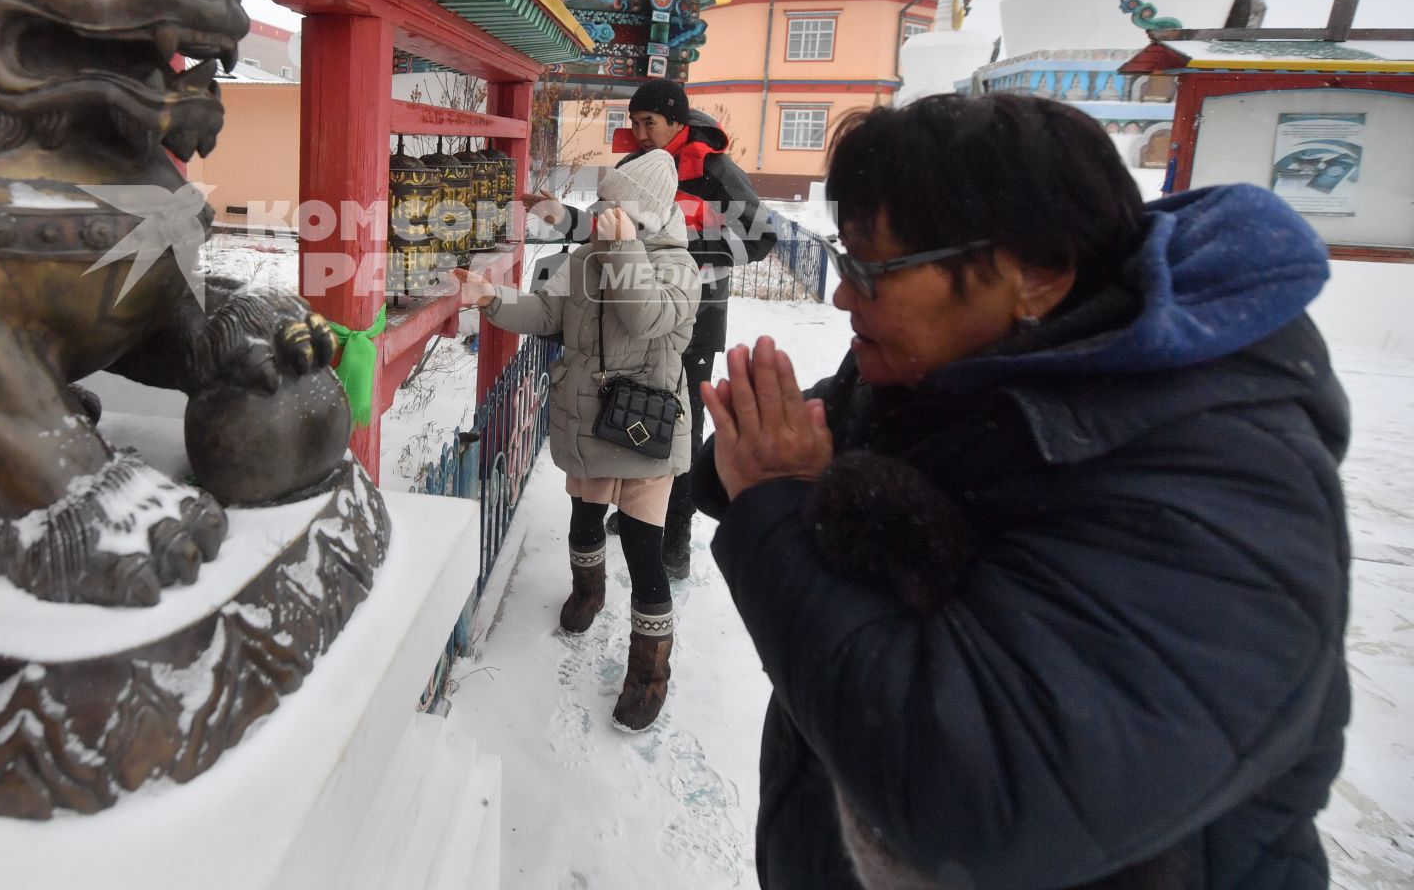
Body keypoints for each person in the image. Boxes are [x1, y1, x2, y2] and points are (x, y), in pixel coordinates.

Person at [691, 93, 1350, 889]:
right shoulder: (944, 372)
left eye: (870, 268)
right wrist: (762, 471)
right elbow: (748, 480)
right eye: (844, 257)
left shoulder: (1224, 479)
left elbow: (978, 796)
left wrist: (777, 498)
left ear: (1036, 274)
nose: (841, 296)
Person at [451, 148, 698, 731]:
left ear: (649, 215)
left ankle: (649, 671)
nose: (607, 212)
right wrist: (491, 299)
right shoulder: (587, 257)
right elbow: (546, 312)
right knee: (583, 521)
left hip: (643, 428)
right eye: (607, 201)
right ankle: (587, 594)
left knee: (643, 551)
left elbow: (645, 317)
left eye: (621, 205)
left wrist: (623, 248)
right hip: (587, 416)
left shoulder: (677, 265)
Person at [526, 77, 779, 578]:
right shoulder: (633, 170)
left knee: (676, 433)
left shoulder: (713, 169)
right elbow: (607, 232)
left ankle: (673, 545)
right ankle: (637, 515)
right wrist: (561, 217)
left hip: (693, 318)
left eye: (650, 122)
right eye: (635, 122)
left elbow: (763, 236)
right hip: (627, 318)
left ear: (677, 123)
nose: (640, 132)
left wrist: (682, 250)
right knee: (624, 410)